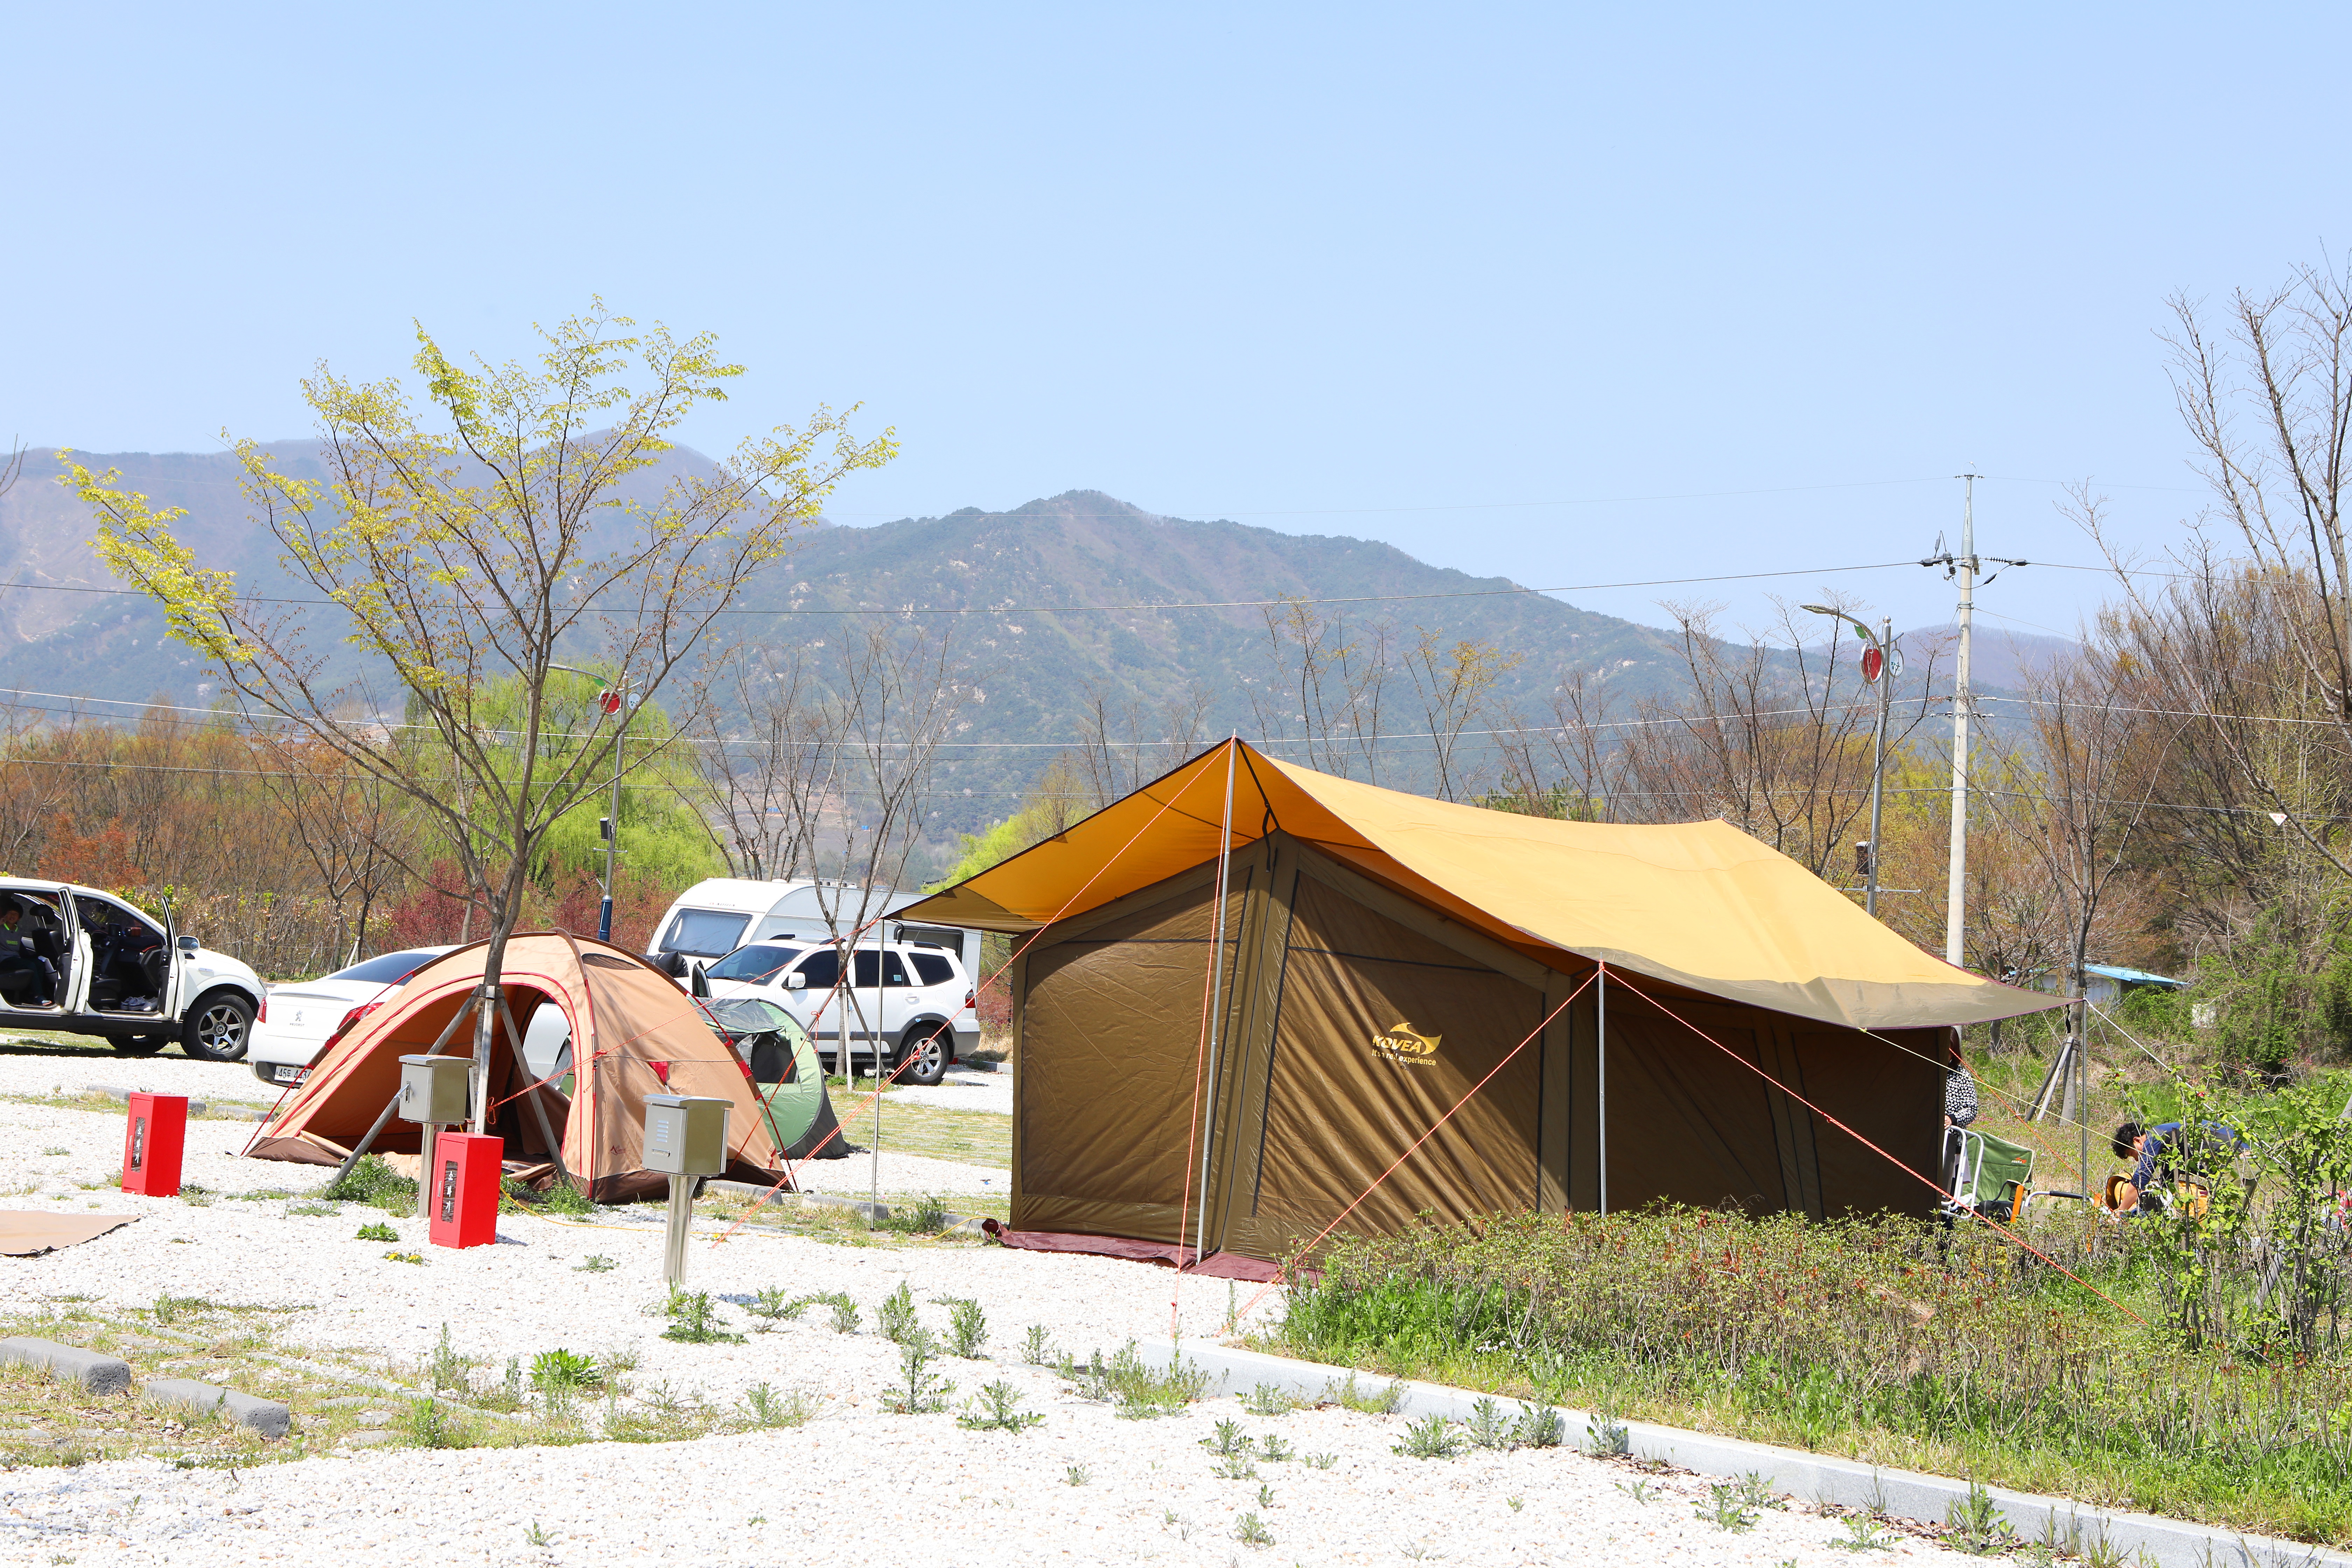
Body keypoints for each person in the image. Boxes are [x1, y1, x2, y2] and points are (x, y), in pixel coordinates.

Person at [2110, 1119, 2245, 1217]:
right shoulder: (2166, 1140)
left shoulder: (2154, 1139)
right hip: (2232, 1163)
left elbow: (2140, 1181)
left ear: (2138, 1141)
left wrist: (2121, 1211)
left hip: (2238, 1161)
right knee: (2219, 1218)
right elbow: (2168, 1176)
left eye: (2133, 1154)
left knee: (2225, 1220)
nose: (2137, 1159)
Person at [0, 901, 59, 1005]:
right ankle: (38, 997)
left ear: (19, 918)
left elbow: (20, 949)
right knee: (30, 965)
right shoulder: (1, 928)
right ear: (5, 915)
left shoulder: (19, 931)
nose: (12, 916)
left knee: (39, 964)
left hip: (15, 958)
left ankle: (32, 995)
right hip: (4, 959)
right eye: (10, 913)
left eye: (16, 914)